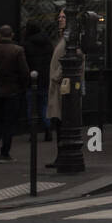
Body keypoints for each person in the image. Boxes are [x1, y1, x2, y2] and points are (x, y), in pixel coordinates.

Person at [0, 25, 32, 162]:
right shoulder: (17, 51)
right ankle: (5, 152)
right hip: (12, 91)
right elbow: (25, 72)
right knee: (9, 122)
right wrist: (22, 87)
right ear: (12, 35)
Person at [22, 21, 55, 142]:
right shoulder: (47, 43)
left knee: (32, 107)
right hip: (46, 78)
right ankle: (48, 129)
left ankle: (33, 132)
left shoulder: (26, 45)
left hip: (32, 79)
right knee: (45, 105)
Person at [46, 10, 69, 170]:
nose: (59, 19)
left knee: (63, 123)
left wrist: (56, 76)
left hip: (63, 88)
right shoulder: (63, 38)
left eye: (63, 17)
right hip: (58, 87)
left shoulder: (69, 39)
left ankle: (64, 156)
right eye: (59, 16)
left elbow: (73, 58)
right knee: (58, 123)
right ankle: (61, 156)